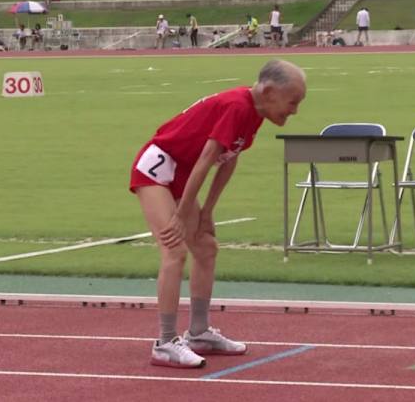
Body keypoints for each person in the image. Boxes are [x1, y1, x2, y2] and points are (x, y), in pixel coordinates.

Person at [129, 59, 307, 368]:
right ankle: (165, 342)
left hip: (182, 175)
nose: (294, 111)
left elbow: (229, 158)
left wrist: (208, 211)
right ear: (268, 92)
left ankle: (198, 333)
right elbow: (206, 158)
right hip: (157, 171)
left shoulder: (256, 112)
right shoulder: (237, 106)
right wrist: (184, 212)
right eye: (292, 102)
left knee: (206, 247)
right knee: (174, 249)